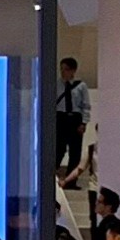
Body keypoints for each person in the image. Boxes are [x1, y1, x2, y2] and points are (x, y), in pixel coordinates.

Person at [52, 57, 93, 186]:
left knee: (75, 151)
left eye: (66, 69)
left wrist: (84, 123)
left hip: (75, 119)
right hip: (60, 118)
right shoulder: (56, 85)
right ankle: (51, 176)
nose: (63, 72)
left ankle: (71, 181)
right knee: (58, 149)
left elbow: (85, 105)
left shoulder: (81, 86)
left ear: (73, 70)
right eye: (61, 69)